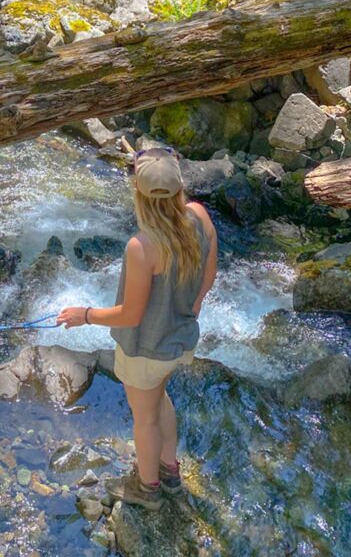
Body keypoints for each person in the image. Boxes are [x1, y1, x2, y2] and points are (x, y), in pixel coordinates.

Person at [57, 146, 217, 511]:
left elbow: (130, 315)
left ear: (138, 194)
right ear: (180, 189)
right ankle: (170, 470)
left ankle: (148, 489)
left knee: (145, 420)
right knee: (160, 401)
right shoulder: (199, 216)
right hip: (180, 340)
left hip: (145, 350)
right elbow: (209, 275)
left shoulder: (142, 246)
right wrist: (190, 308)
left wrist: (84, 314)